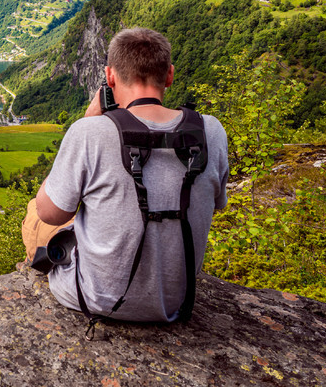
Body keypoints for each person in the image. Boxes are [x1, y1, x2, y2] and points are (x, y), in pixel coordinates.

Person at [22, 27, 229, 322]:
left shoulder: (90, 132)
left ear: (110, 77)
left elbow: (50, 212)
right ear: (169, 75)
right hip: (178, 301)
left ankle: (34, 263)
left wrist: (88, 120)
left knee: (35, 209)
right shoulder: (211, 131)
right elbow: (217, 204)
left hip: (96, 298)